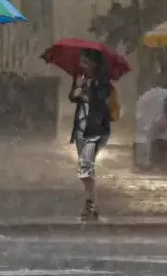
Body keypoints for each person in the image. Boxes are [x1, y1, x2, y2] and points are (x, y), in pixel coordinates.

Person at [68, 49, 112, 221]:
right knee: (86, 166)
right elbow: (72, 97)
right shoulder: (82, 78)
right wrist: (77, 88)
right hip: (81, 128)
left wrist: (85, 92)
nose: (82, 65)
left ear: (94, 64)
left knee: (85, 166)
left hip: (96, 130)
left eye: (85, 62)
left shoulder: (103, 83)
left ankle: (90, 204)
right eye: (81, 62)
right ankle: (91, 203)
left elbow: (100, 102)